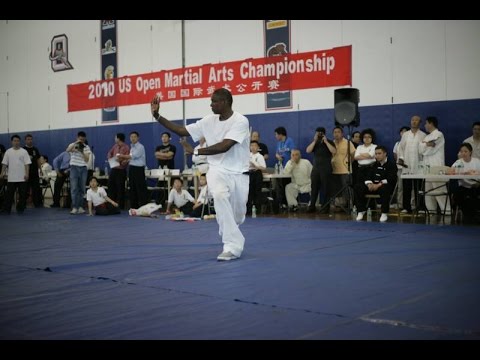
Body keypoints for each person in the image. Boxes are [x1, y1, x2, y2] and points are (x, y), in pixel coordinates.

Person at [151, 88, 250, 261]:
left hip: (239, 173)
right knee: (219, 195)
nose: (210, 104)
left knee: (237, 216)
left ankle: (226, 224)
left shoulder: (240, 121)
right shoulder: (208, 121)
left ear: (225, 102)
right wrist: (158, 116)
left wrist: (196, 152)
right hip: (217, 170)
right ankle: (232, 246)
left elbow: (224, 146)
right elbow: (182, 130)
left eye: (214, 101)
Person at [354, 146, 397, 223]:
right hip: (372, 187)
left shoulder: (391, 165)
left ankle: (384, 213)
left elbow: (391, 178)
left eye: (379, 153)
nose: (377, 155)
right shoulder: (373, 165)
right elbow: (368, 176)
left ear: (385, 154)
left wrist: (378, 184)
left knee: (385, 188)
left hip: (383, 186)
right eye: (376, 154)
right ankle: (361, 210)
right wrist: (369, 184)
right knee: (358, 187)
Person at [305, 127, 336, 213]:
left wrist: (326, 142)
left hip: (326, 168)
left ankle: (325, 207)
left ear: (324, 134)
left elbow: (334, 151)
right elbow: (308, 150)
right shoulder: (315, 143)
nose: (319, 135)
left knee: (326, 188)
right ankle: (312, 206)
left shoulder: (329, 141)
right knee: (314, 188)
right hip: (316, 169)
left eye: (320, 133)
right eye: (317, 133)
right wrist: (314, 141)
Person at [0, 135, 31, 214]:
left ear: (19, 142)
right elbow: (4, 164)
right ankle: (6, 209)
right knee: (9, 195)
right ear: (12, 142)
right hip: (11, 177)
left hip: (22, 177)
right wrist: (1, 173)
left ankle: (20, 208)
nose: (16, 142)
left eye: (18, 141)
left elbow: (27, 164)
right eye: (15, 141)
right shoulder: (8, 152)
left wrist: (27, 174)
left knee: (23, 195)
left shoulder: (24, 151)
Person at [66, 131, 92, 214]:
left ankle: (81, 207)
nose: (81, 141)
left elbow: (87, 159)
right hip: (74, 167)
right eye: (80, 139)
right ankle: (74, 207)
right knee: (74, 188)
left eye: (83, 140)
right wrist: (76, 144)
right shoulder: (72, 144)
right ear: (77, 138)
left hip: (83, 168)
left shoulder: (86, 147)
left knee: (82, 188)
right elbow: (67, 150)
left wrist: (81, 151)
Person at [107, 133, 130, 209]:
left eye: (115, 137)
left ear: (118, 138)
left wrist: (120, 159)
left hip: (121, 170)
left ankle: (120, 206)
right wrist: (111, 158)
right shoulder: (115, 146)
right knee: (111, 187)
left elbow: (127, 158)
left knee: (120, 188)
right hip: (113, 169)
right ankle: (111, 204)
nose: (115, 139)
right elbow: (109, 153)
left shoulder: (126, 147)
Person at [23, 134, 43, 207]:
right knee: (25, 189)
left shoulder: (35, 149)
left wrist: (40, 169)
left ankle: (37, 203)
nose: (30, 141)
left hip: (35, 172)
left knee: (36, 188)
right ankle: (23, 203)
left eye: (31, 139)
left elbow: (38, 160)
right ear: (25, 140)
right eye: (28, 139)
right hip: (26, 172)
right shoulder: (23, 150)